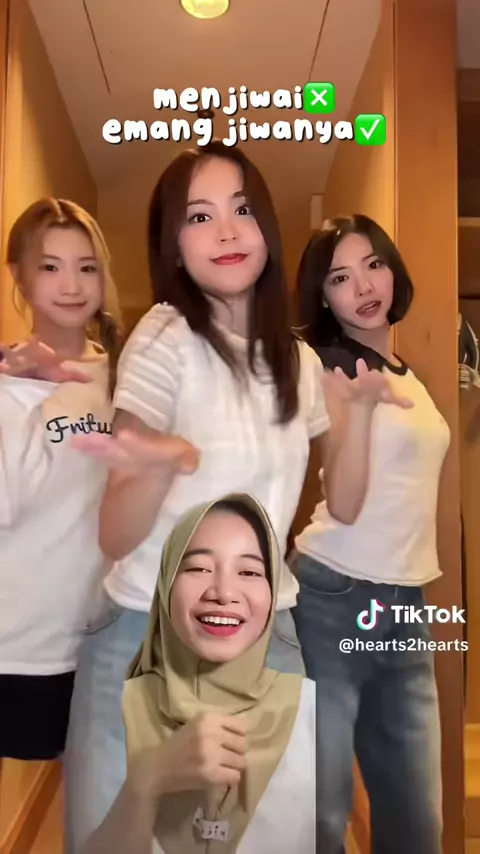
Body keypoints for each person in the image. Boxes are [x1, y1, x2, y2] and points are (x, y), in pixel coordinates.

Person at [65, 142, 407, 851]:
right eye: (200, 216)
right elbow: (115, 534)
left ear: (266, 229)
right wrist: (155, 469)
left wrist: (358, 418)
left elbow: (344, 505)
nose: (226, 231)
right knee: (123, 836)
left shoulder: (298, 360)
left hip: (266, 635)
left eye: (242, 210)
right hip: (148, 636)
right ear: (174, 245)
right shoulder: (165, 337)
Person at [292, 214, 450, 854]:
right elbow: (345, 501)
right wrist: (355, 410)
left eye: (373, 265)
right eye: (339, 277)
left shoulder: (406, 374)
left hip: (406, 605)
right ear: (323, 297)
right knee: (321, 815)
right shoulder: (328, 367)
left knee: (417, 819)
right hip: (332, 597)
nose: (362, 286)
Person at [83, 493, 316, 854]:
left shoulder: (308, 713)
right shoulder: (117, 708)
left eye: (249, 572)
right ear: (166, 583)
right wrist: (145, 783)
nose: (223, 592)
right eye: (198, 568)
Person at [0, 198, 122, 761]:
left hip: (106, 639)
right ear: (19, 276)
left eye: (86, 267)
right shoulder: (8, 383)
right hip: (19, 646)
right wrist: (40, 389)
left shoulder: (126, 379)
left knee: (100, 792)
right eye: (50, 266)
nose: (72, 285)